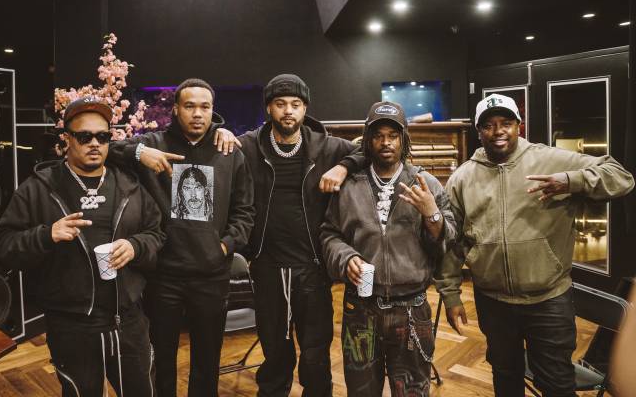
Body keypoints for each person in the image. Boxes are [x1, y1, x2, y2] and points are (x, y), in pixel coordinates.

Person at [436, 93, 635, 397]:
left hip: (549, 300)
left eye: (505, 123)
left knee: (556, 383)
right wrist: (450, 295)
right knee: (505, 376)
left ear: (519, 125)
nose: (498, 131)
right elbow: (452, 241)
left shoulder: (550, 159)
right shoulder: (463, 178)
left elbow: (621, 177)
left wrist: (569, 181)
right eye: (488, 125)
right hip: (493, 301)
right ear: (479, 132)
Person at [0, 97, 165, 397]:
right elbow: (5, 246)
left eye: (103, 136)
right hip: (71, 326)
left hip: (128, 321)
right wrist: (47, 235)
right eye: (84, 137)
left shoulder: (130, 185)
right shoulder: (39, 188)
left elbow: (156, 233)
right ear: (66, 139)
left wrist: (135, 246)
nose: (95, 143)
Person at [109, 78, 255, 397]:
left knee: (207, 363)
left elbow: (245, 212)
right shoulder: (155, 143)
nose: (197, 114)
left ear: (213, 110)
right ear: (176, 109)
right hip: (163, 276)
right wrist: (139, 152)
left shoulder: (227, 150)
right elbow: (103, 149)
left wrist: (225, 246)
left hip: (211, 275)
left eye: (205, 107)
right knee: (161, 361)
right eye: (189, 106)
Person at [233, 73, 361, 397]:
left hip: (312, 269)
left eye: (296, 104)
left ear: (305, 109)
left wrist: (343, 167)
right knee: (275, 353)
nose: (288, 111)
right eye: (280, 104)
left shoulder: (328, 148)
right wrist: (220, 131)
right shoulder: (249, 146)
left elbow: (366, 152)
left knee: (316, 355)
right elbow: (219, 151)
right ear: (268, 109)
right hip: (266, 267)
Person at [321, 100, 456, 396]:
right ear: (368, 140)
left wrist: (431, 214)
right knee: (360, 390)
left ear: (404, 138)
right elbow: (329, 234)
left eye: (393, 136)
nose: (385, 142)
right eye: (378, 135)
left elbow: (449, 239)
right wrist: (346, 259)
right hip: (360, 311)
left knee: (412, 391)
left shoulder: (426, 183)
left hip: (411, 310)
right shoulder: (350, 184)